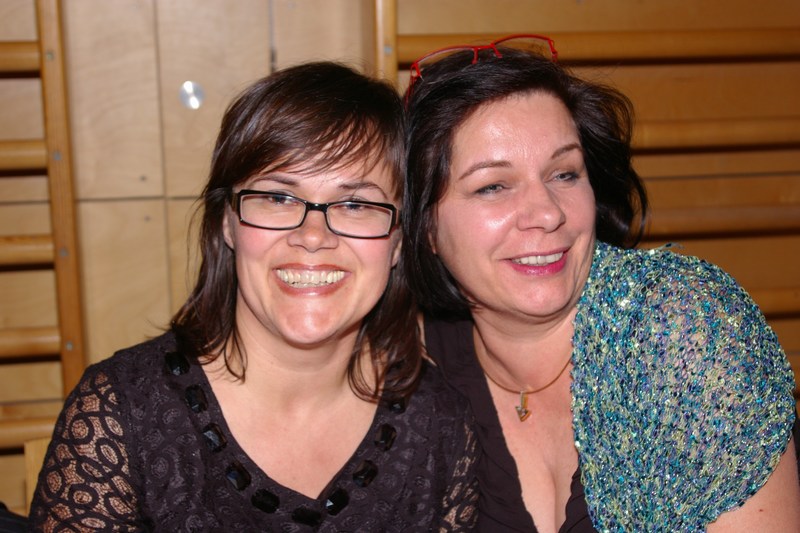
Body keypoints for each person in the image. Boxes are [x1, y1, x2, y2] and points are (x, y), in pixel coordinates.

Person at [29, 61, 479, 531]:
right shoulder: (120, 416)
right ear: (228, 222)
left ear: (398, 240)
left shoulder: (443, 424)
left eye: (355, 204)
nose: (313, 236)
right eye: (278, 198)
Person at [403, 35, 800, 532]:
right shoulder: (405, 364)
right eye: (493, 186)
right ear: (425, 227)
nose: (547, 213)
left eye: (564, 174)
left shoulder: (683, 330)